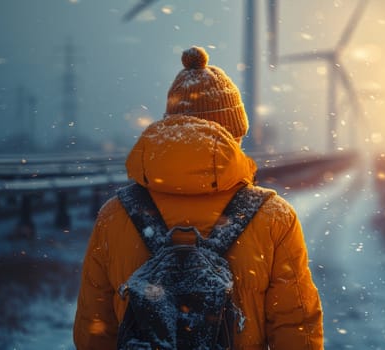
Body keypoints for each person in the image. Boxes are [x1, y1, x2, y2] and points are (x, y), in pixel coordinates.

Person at [73, 46, 324, 349]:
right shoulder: (274, 217)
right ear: (233, 136)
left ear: (170, 123)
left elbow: (94, 329)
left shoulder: (114, 215)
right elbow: (296, 325)